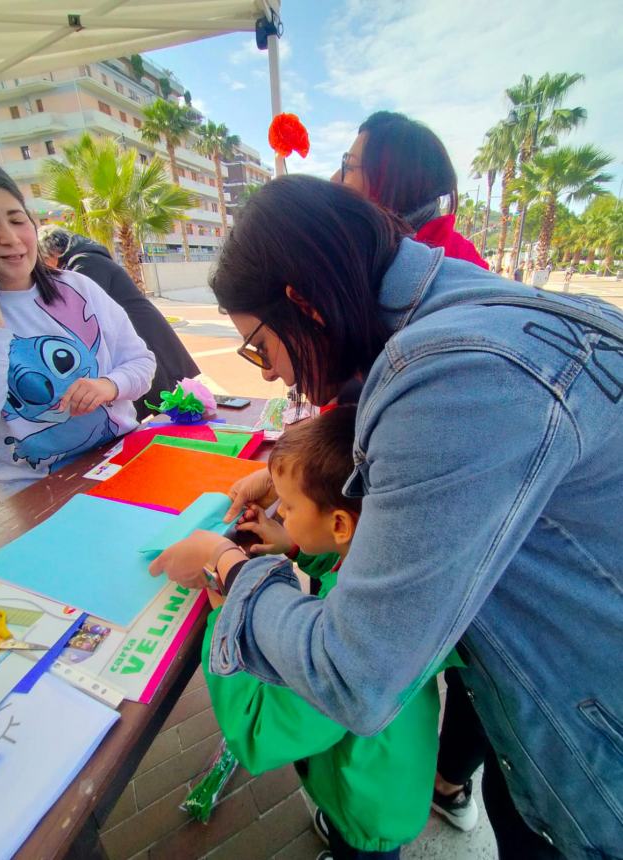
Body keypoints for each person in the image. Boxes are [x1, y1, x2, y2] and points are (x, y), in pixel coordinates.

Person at [148, 176, 623, 860]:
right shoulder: (482, 310)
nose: (274, 376)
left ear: (301, 302)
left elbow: (356, 676)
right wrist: (298, 477)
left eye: (259, 348)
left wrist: (228, 566)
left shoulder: (445, 372)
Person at [198, 407, 458, 860]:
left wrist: (226, 613)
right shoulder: (396, 572)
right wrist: (295, 546)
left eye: (289, 507)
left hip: (363, 808)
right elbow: (343, 571)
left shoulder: (352, 641)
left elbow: (259, 733)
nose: (283, 514)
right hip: (387, 779)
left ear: (339, 523)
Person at [334, 109, 491, 830]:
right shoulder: (390, 263)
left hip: (470, 519)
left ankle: (444, 782)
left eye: (351, 164)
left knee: (479, 668)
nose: (337, 177)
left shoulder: (443, 279)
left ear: (391, 182)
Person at [0, 155, 156, 500]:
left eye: (17, 220)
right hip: (33, 493)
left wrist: (109, 384)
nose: (10, 238)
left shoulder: (78, 287)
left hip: (119, 458)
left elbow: (142, 363)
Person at [37, 226, 199, 421]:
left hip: (141, 332)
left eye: (45, 262)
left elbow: (75, 311)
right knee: (157, 396)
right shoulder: (87, 258)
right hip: (139, 329)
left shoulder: (84, 264)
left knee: (162, 396)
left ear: (54, 252)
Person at [333, 110, 488, 269]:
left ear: (391, 179)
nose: (334, 179)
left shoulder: (455, 266)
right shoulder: (362, 247)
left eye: (349, 166)